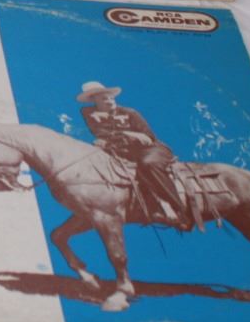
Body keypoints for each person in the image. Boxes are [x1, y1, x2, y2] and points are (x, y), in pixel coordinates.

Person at [76, 80, 195, 230]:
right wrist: (106, 141)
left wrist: (128, 134)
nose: (110, 101)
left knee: (148, 164)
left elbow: (149, 137)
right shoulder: (88, 113)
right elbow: (100, 134)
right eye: (104, 99)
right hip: (121, 152)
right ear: (94, 100)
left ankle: (181, 210)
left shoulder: (130, 113)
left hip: (151, 149)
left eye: (111, 98)